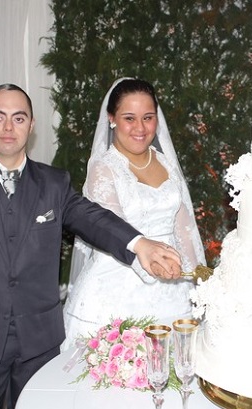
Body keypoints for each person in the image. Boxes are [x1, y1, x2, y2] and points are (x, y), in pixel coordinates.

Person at [0, 83, 183, 409]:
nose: (8, 127)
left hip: (38, 338)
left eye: (19, 118)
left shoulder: (54, 183)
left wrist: (139, 244)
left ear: (32, 125)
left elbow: (93, 218)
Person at [61, 78, 206, 350]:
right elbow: (111, 230)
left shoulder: (166, 163)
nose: (140, 128)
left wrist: (194, 275)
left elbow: (184, 230)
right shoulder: (103, 168)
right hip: (120, 281)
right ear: (112, 118)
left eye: (148, 117)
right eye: (130, 118)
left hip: (175, 281)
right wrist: (156, 265)